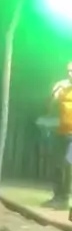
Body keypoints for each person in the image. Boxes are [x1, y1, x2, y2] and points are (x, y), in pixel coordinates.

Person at [44, 63, 72, 210]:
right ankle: (57, 196)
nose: (71, 73)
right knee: (58, 165)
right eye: (69, 71)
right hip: (61, 131)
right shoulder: (61, 86)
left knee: (68, 164)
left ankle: (64, 198)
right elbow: (49, 106)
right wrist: (53, 94)